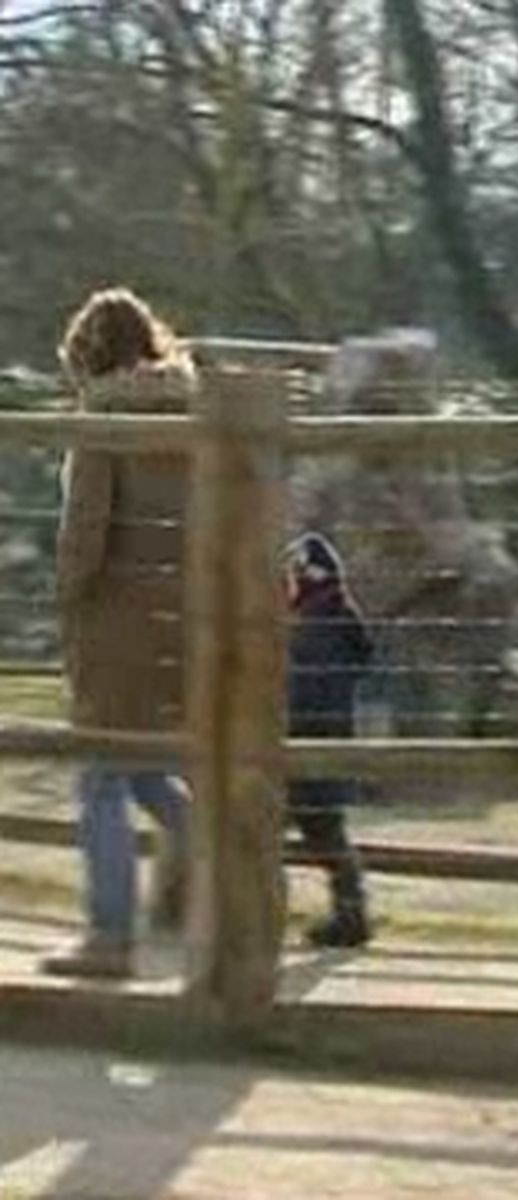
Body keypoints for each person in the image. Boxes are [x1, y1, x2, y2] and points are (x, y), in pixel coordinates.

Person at [43, 288, 192, 980]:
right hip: (183, 616)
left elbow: (85, 536)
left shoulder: (102, 420)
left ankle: (109, 935)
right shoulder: (193, 417)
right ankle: (211, 856)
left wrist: (64, 599)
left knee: (103, 774)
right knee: (146, 766)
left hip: (115, 620)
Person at [283, 532, 375, 948]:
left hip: (306, 748)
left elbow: (305, 694)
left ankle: (350, 916)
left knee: (313, 831)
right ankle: (351, 912)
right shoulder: (334, 623)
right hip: (326, 747)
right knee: (326, 834)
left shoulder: (316, 629)